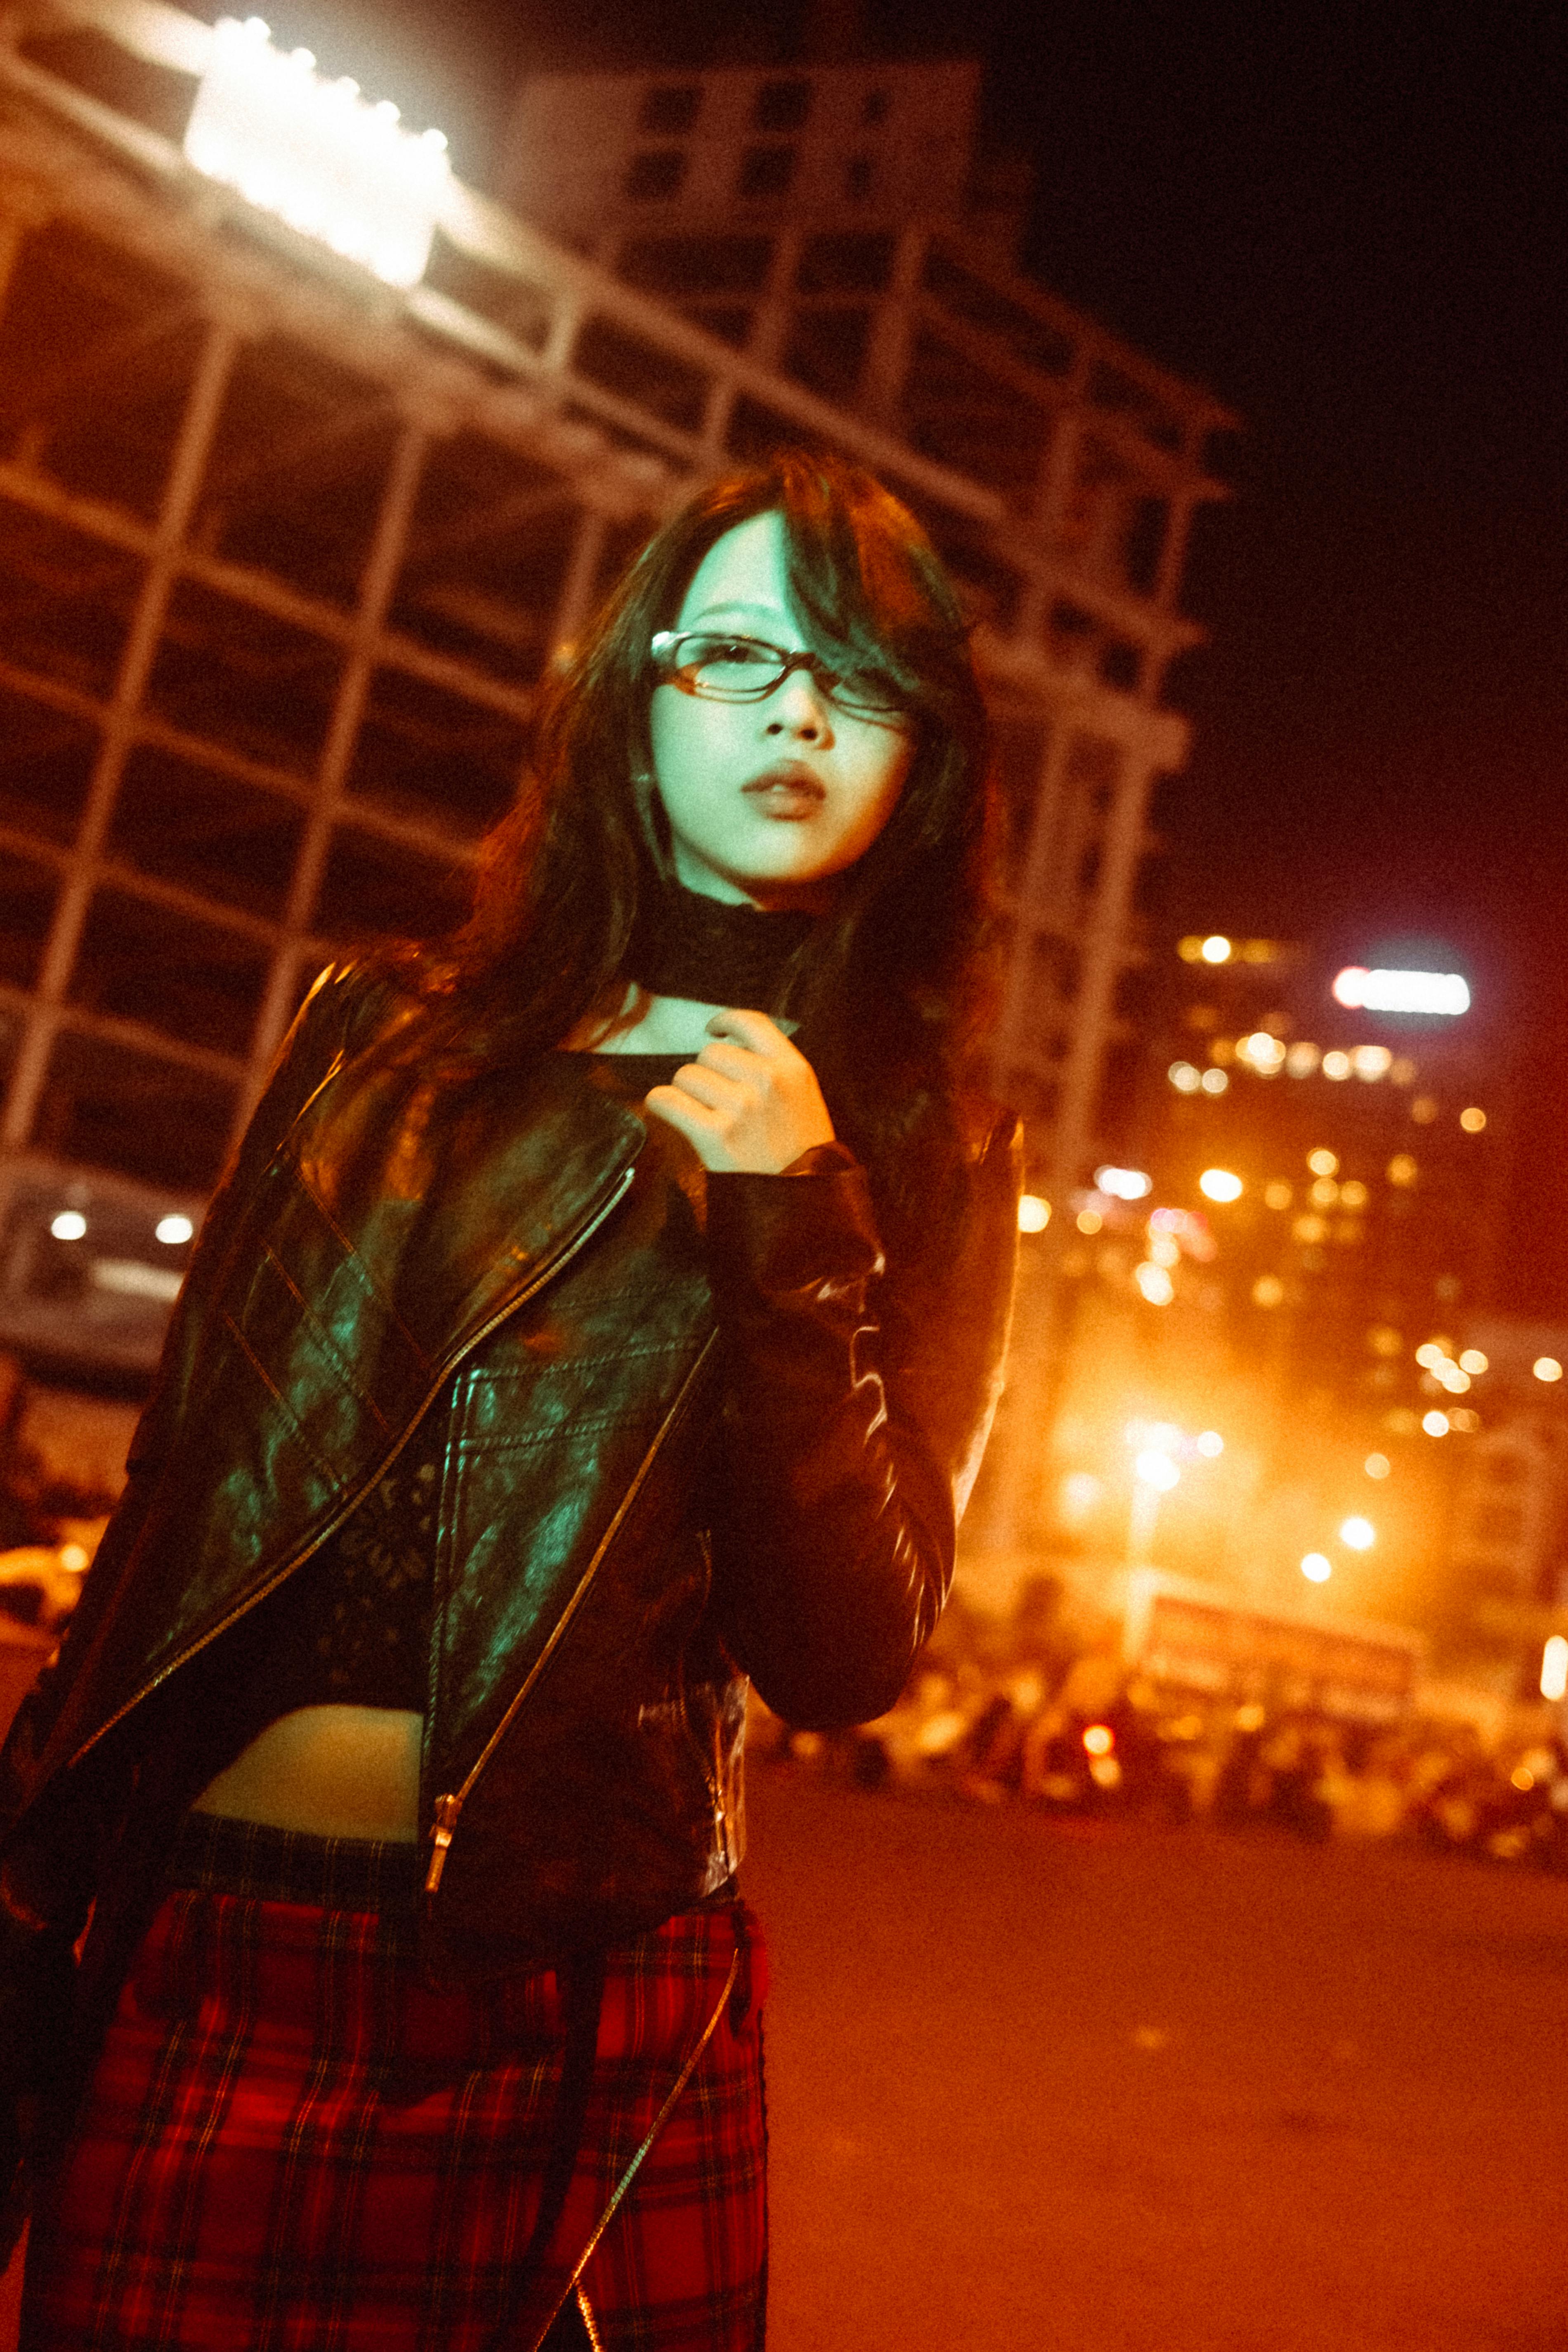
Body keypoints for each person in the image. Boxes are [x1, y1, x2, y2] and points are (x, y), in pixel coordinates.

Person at [0, 449, 1021, 2351]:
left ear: (922, 763)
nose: (797, 711)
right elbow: (179, 1504)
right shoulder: (378, 1036)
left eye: (862, 678)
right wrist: (29, 1874)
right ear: (629, 704)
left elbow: (844, 1653)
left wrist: (793, 1226)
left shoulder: (915, 1142)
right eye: (734, 655)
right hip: (216, 1942)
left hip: (581, 2001)